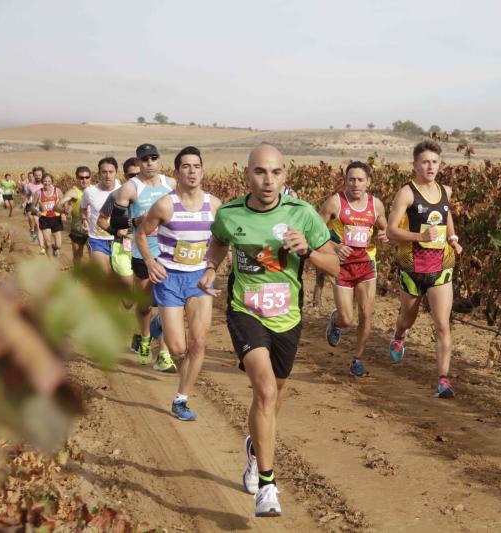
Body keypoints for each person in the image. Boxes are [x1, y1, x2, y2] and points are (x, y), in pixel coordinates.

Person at [198, 144, 338, 517]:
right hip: (246, 311)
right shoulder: (229, 213)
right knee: (263, 390)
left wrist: (307, 250)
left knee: (273, 398)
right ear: (247, 175)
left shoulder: (304, 214)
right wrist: (211, 270)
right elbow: (218, 244)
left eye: (275, 172)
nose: (268, 180)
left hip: (288, 317)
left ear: (285, 176)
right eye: (260, 172)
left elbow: (336, 266)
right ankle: (267, 484)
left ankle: (253, 451)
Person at [136, 146, 221, 420]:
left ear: (203, 171)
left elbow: (222, 240)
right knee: (178, 349)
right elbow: (140, 234)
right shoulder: (165, 204)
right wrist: (150, 261)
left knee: (198, 341)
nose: (192, 171)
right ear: (176, 172)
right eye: (186, 166)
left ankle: (181, 399)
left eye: (196, 166)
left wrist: (212, 267)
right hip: (169, 279)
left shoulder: (214, 205)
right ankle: (160, 321)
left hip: (198, 281)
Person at [386, 140, 463, 399]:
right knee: (408, 318)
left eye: (435, 162)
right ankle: (399, 334)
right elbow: (391, 230)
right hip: (412, 267)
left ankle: (443, 379)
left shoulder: (446, 191)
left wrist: (453, 238)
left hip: (442, 266)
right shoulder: (406, 193)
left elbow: (446, 215)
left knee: (442, 324)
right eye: (425, 162)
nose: (430, 167)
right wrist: (419, 237)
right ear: (415, 165)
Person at [107, 144, 175, 371]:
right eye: (145, 159)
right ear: (138, 162)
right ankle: (145, 338)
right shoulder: (130, 188)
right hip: (143, 254)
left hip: (169, 254)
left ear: (159, 160)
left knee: (168, 305)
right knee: (145, 306)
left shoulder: (171, 184)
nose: (150, 163)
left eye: (154, 158)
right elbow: (115, 223)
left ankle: (164, 354)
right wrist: (134, 222)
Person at [320, 161, 388, 377]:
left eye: (360, 179)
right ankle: (335, 322)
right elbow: (315, 233)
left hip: (366, 265)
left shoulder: (376, 205)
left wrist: (386, 236)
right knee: (347, 319)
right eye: (351, 179)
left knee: (366, 315)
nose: (355, 184)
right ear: (345, 181)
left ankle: (357, 360)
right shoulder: (335, 203)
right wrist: (335, 246)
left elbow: (385, 229)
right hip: (341, 266)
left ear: (368, 182)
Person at [55, 166, 91, 264]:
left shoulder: (94, 190)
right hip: (77, 229)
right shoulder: (73, 192)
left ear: (90, 178)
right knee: (78, 257)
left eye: (87, 177)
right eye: (81, 178)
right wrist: (64, 211)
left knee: (94, 257)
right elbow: (57, 206)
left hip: (93, 230)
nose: (84, 180)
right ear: (77, 178)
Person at [30, 173, 64, 257]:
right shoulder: (38, 193)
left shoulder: (57, 191)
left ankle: (55, 248)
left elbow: (64, 203)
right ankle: (50, 263)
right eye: (45, 181)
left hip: (56, 218)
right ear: (42, 182)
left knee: (59, 245)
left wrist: (63, 213)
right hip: (45, 219)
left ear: (52, 181)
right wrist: (37, 212)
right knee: (48, 243)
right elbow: (32, 207)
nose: (47, 183)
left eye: (49, 181)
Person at [25, 167, 44, 243]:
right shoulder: (29, 185)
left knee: (39, 224)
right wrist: (26, 201)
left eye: (39, 175)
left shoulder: (45, 183)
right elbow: (27, 194)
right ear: (33, 175)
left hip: (43, 207)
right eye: (36, 175)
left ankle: (36, 233)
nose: (38, 177)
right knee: (36, 222)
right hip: (33, 205)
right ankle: (34, 232)